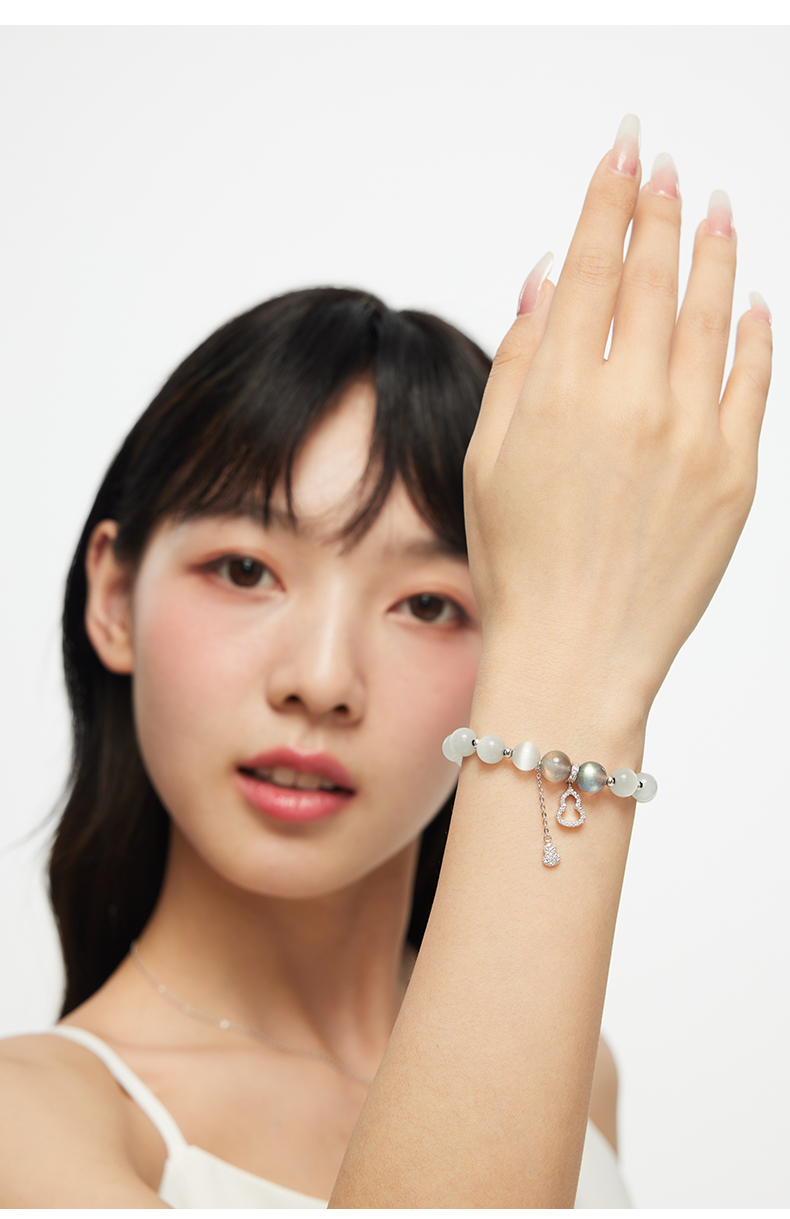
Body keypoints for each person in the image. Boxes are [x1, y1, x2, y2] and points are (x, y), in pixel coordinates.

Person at [0, 115, 772, 1208]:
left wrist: (578, 645)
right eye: (243, 570)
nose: (320, 680)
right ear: (113, 598)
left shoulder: (578, 1077)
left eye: (427, 602)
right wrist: (576, 684)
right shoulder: (31, 1121)